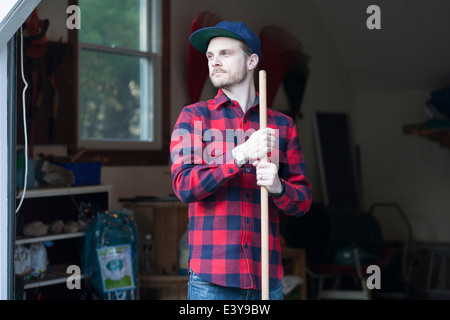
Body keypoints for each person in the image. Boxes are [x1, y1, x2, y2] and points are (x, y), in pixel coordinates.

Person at [170, 21, 312, 300]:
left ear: (251, 61)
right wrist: (240, 155)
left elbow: (304, 201)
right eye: (210, 56)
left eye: (225, 54)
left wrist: (278, 188)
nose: (214, 62)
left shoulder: (281, 125)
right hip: (211, 281)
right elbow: (183, 186)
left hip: (266, 279)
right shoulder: (194, 117)